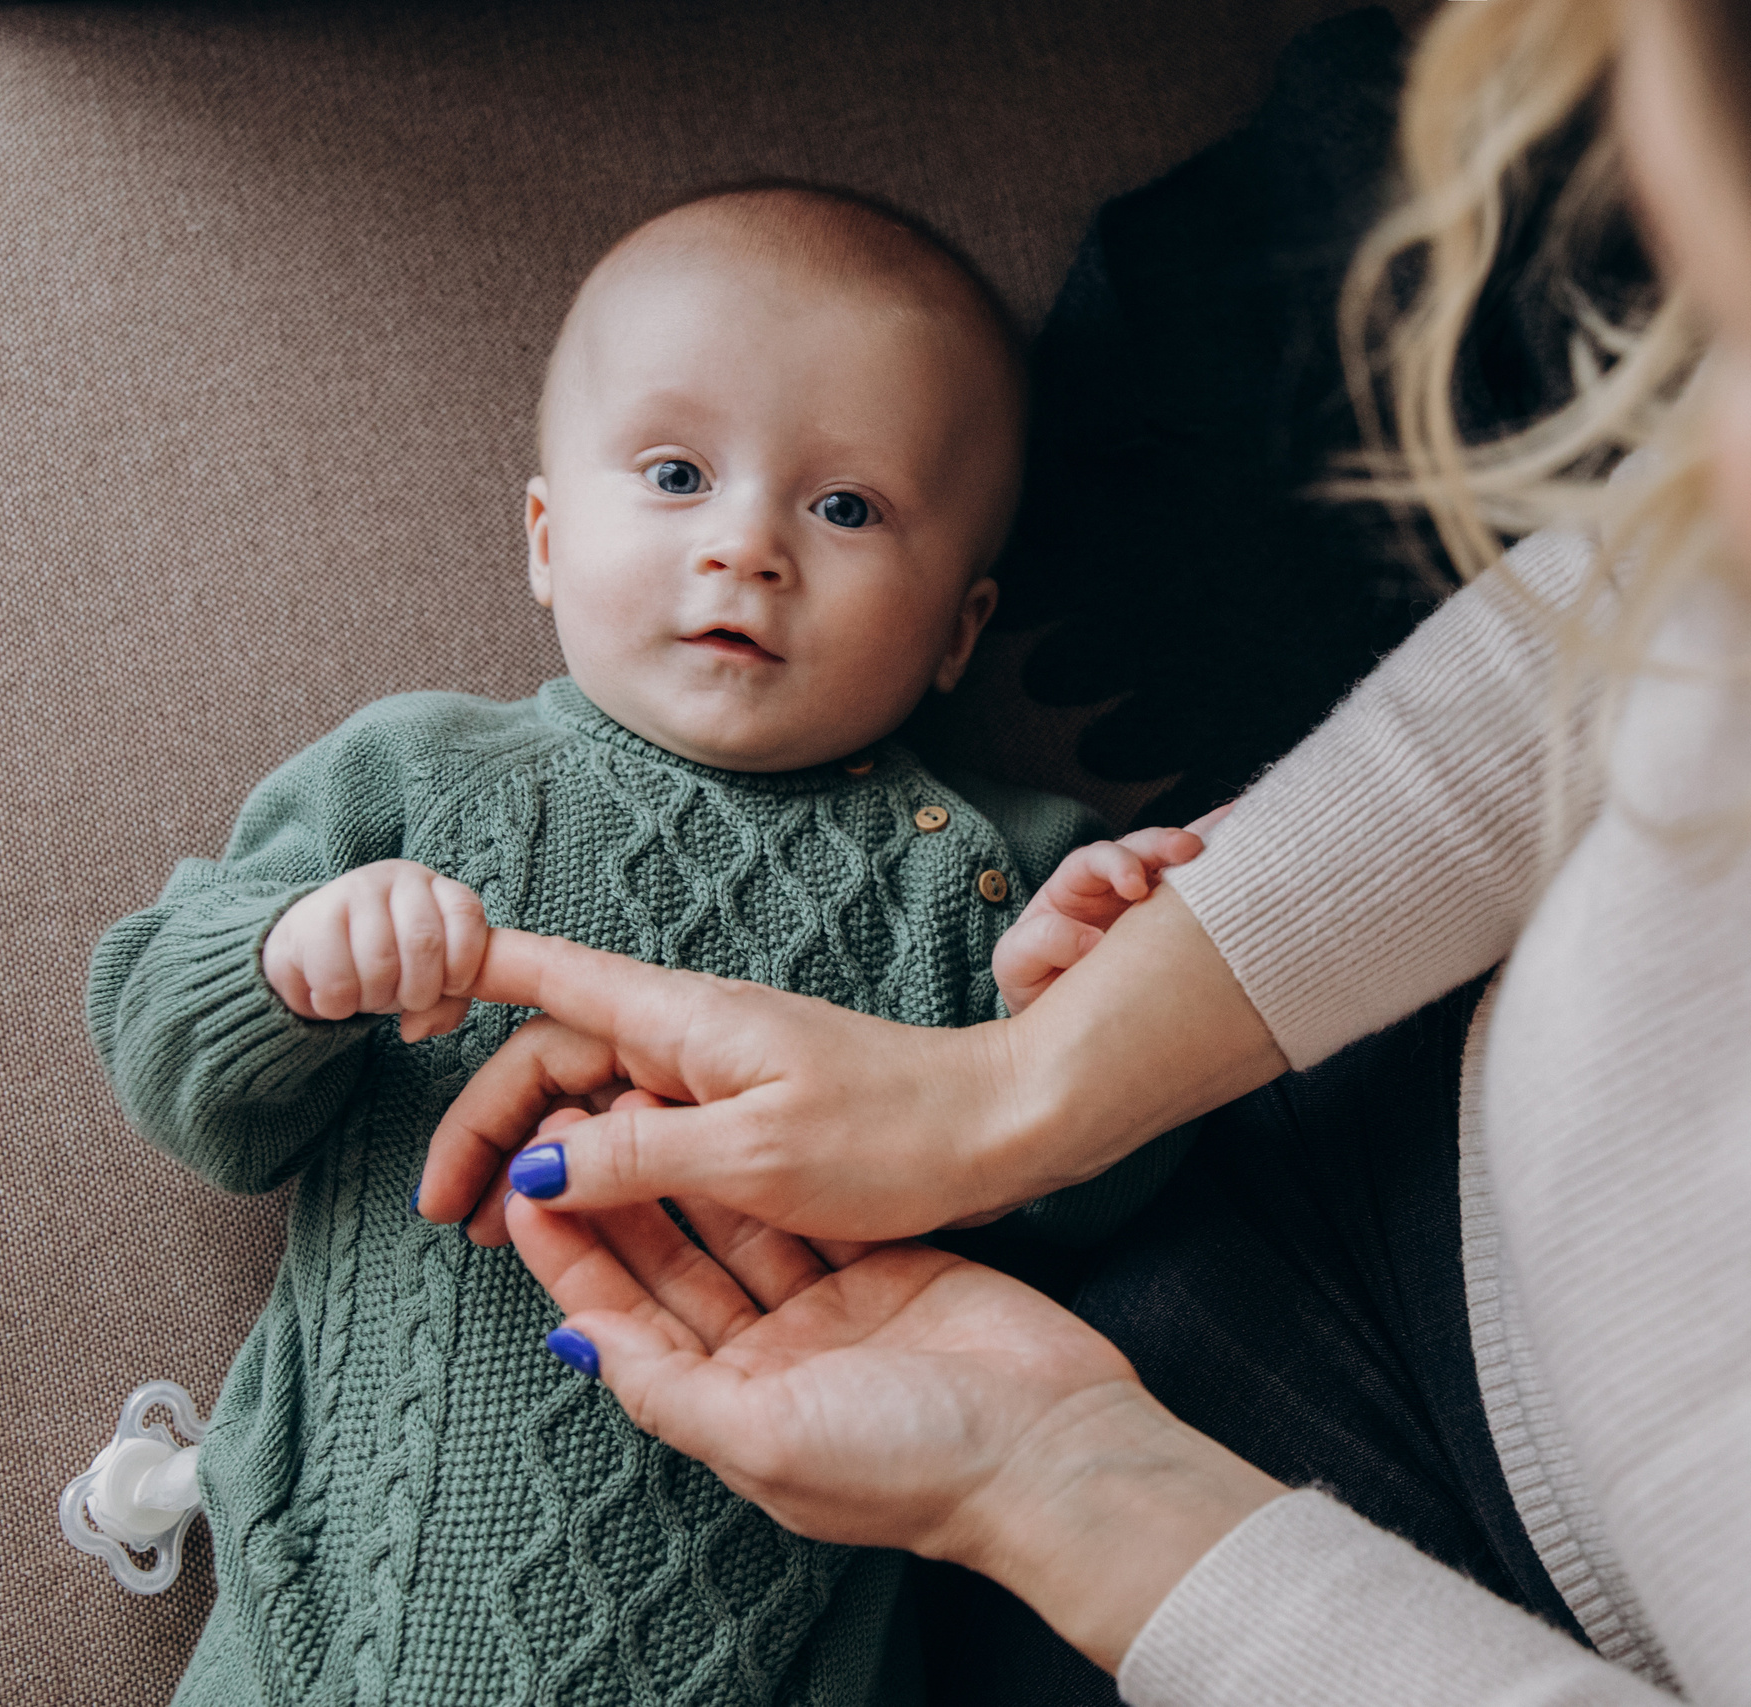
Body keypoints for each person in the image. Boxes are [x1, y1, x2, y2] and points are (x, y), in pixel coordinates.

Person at [423, 2, 1751, 1702]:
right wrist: (1023, 1086)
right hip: (1367, 1155)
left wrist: (1079, 1495)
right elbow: (1614, 614)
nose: (1664, 484)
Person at [87, 183, 1199, 1707]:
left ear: (958, 630)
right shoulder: (420, 781)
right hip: (336, 1612)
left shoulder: (997, 878)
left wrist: (1077, 1013)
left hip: (783, 1638)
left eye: (847, 507)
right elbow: (175, 1063)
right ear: (547, 538)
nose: (746, 547)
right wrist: (292, 957)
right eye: (677, 473)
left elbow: (1098, 1201)